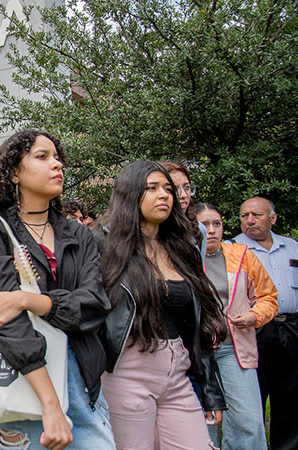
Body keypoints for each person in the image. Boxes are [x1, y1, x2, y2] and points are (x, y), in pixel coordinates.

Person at [0, 129, 115, 450]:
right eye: (42, 156)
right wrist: (50, 403)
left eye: (58, 158)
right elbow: (8, 322)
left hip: (82, 382)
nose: (57, 165)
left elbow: (94, 304)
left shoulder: (77, 233)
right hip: (21, 382)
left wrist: (30, 300)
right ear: (15, 173)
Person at [99, 161, 227, 450]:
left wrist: (210, 391)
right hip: (127, 373)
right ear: (131, 194)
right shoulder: (105, 247)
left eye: (168, 189)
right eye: (152, 188)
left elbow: (198, 326)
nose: (165, 195)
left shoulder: (182, 248)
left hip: (177, 372)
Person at [195, 202, 277, 450]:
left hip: (234, 347)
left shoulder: (242, 255)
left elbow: (268, 297)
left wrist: (254, 316)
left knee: (249, 423)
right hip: (195, 352)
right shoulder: (180, 257)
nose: (211, 230)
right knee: (203, 424)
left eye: (216, 224)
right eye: (204, 224)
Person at [233, 197, 298, 450]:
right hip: (254, 329)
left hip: (292, 328)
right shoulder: (233, 249)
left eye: (256, 215)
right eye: (244, 215)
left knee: (291, 398)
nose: (249, 221)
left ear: (273, 218)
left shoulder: (292, 247)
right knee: (253, 397)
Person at [160, 162, 207, 261]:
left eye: (187, 187)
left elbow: (200, 273)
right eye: (174, 189)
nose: (183, 195)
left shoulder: (198, 229)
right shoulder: (148, 231)